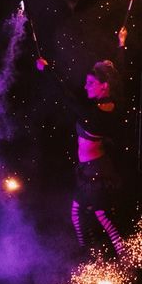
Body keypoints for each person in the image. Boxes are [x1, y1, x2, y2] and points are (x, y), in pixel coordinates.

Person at [37, 27, 128, 260]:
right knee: (81, 213)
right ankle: (88, 255)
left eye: (90, 83)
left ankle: (127, 262)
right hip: (95, 168)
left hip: (95, 173)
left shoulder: (93, 116)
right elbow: (121, 73)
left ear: (103, 86)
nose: (86, 87)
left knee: (102, 218)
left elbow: (65, 96)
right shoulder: (113, 102)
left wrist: (46, 69)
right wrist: (121, 44)